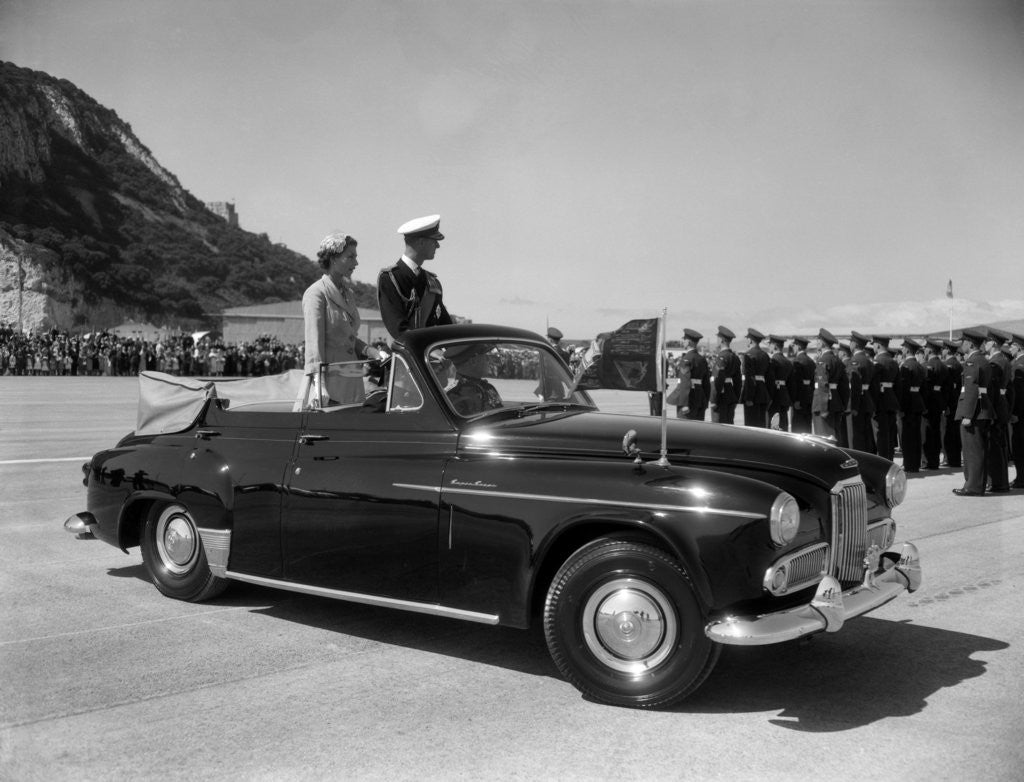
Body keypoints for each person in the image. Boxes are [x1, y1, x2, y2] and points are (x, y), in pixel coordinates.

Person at [303, 232, 383, 405]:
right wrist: (319, 385)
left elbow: (347, 337)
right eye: (350, 257)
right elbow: (313, 343)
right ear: (334, 259)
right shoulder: (316, 293)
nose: (356, 263)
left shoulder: (348, 294)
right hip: (329, 385)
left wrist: (371, 351)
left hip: (352, 379)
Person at [377, 214, 452, 340]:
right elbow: (398, 330)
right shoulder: (390, 278)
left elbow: (446, 327)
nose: (438, 246)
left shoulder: (432, 282)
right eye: (434, 241)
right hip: (407, 352)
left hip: (431, 352)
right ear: (421, 242)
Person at [953, 327, 993, 496]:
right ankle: (975, 484)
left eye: (962, 342)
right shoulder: (982, 360)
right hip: (982, 409)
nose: (960, 345)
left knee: (973, 451)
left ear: (969, 344)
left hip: (974, 412)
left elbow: (971, 388)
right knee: (976, 450)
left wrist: (968, 415)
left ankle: (973, 486)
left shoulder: (973, 362)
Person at [985, 330, 1012, 492]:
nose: (985, 344)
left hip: (995, 406)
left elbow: (992, 388)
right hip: (1001, 405)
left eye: (987, 342)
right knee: (999, 445)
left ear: (993, 344)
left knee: (994, 446)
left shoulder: (996, 362)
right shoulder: (1003, 360)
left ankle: (997, 482)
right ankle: (1000, 482)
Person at [446, 344, 502, 415]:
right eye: (486, 357)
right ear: (473, 361)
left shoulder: (487, 387)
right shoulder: (455, 395)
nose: (489, 360)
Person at [897, 338, 926, 473]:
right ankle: (916, 463)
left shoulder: (906, 366)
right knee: (916, 435)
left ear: (907, 350)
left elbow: (903, 389)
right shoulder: (919, 366)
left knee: (908, 436)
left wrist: (901, 407)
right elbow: (924, 388)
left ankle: (909, 464)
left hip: (908, 405)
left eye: (903, 347)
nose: (902, 349)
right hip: (918, 402)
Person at [670, 328, 710, 421]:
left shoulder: (686, 359)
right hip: (700, 399)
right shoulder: (702, 359)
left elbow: (684, 382)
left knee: (684, 428)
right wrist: (705, 402)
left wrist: (685, 404)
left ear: (688, 342)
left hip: (688, 400)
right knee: (698, 428)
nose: (683, 341)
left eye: (684, 339)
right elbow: (706, 383)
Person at [872, 336, 901, 461]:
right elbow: (898, 386)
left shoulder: (877, 362)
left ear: (878, 345)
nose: (873, 347)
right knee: (889, 434)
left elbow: (874, 385)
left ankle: (882, 462)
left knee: (880, 435)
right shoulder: (893, 362)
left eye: (874, 344)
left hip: (880, 402)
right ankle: (890, 461)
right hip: (891, 401)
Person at [921, 338, 947, 469]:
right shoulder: (943, 366)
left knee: (927, 432)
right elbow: (947, 388)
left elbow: (925, 387)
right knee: (936, 432)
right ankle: (935, 461)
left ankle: (927, 461)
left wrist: (923, 404)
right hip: (939, 401)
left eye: (925, 348)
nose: (924, 351)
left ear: (929, 350)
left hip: (929, 402)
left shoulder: (926, 366)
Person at [848, 331, 876, 453]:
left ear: (855, 344)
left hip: (858, 403)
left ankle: (860, 459)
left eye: (851, 342)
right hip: (868, 401)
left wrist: (854, 406)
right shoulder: (869, 361)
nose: (850, 344)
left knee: (857, 435)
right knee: (867, 434)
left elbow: (855, 386)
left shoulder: (854, 361)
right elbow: (874, 385)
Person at [741, 328, 770, 428]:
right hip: (763, 393)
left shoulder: (748, 355)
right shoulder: (765, 355)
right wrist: (769, 396)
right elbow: (769, 378)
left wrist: (749, 397)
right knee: (761, 425)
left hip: (752, 395)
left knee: (751, 426)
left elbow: (749, 378)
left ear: (750, 340)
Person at [711, 326, 741, 424]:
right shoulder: (735, 357)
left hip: (721, 397)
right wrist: (736, 398)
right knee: (729, 426)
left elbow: (718, 379)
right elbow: (738, 381)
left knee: (718, 427)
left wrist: (713, 399)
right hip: (731, 395)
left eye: (718, 338)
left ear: (722, 340)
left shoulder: (722, 357)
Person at [766, 335, 792, 430]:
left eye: (770, 344)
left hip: (774, 396)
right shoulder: (788, 362)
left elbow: (770, 381)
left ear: (775, 346)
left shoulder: (773, 361)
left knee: (774, 425)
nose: (768, 346)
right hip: (784, 396)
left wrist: (769, 398)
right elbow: (791, 384)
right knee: (783, 424)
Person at [789, 336, 814, 433]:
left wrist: (796, 399)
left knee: (798, 426)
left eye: (794, 345)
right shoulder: (811, 361)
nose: (793, 348)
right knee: (807, 425)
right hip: (809, 396)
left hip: (800, 398)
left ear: (798, 346)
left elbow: (796, 382)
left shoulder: (797, 361)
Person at [1009, 333, 1024, 488]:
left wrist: (1015, 413)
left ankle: (1021, 479)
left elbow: (1018, 393)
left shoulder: (1018, 365)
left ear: (1019, 347)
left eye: (1012, 346)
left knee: (1019, 447)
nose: (1010, 348)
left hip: (1021, 414)